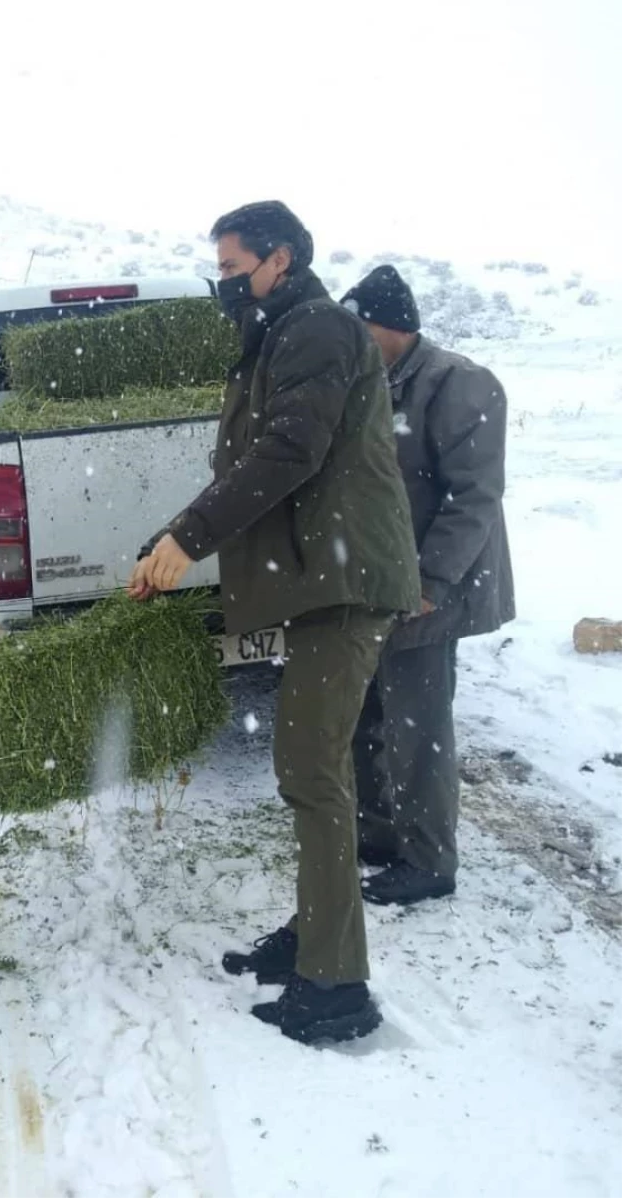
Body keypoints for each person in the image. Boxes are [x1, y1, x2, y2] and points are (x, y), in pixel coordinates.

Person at [129, 202, 421, 1044]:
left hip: (342, 583)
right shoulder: (280, 332)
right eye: (217, 268)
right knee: (311, 769)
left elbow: (289, 452)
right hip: (317, 582)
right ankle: (313, 932)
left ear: (280, 258)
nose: (222, 282)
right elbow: (253, 463)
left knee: (311, 772)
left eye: (232, 266)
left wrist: (192, 537)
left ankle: (334, 987)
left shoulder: (319, 329)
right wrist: (170, 539)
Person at [340, 266, 514, 905]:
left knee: (418, 727)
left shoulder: (459, 384)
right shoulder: (376, 381)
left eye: (356, 329)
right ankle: (381, 836)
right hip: (382, 583)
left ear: (384, 325)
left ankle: (430, 862)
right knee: (369, 716)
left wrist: (431, 581)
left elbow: (475, 497)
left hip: (432, 586)